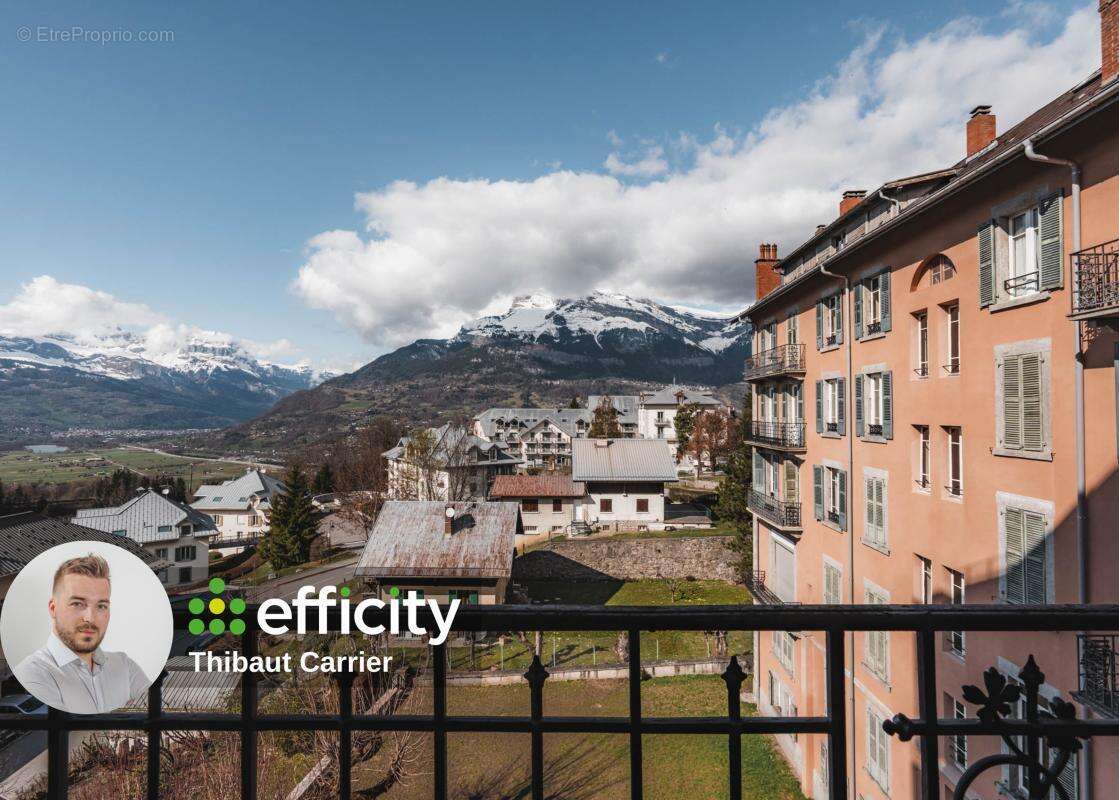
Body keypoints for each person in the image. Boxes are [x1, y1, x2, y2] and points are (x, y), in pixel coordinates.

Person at [15, 554, 150, 714]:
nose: (90, 618)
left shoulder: (125, 665)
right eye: (77, 604)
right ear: (53, 608)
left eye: (101, 606)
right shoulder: (32, 673)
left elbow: (157, 711)